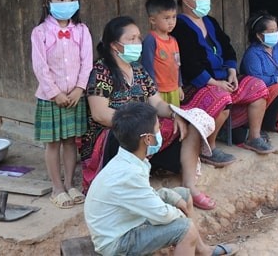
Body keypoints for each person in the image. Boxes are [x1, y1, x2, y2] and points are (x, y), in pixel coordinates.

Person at [81, 16, 218, 211]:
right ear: (114, 45)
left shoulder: (139, 70)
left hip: (144, 131)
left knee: (190, 122)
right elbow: (100, 114)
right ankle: (135, 191)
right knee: (135, 133)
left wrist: (174, 113)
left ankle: (190, 186)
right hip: (114, 135)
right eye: (131, 39)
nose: (138, 43)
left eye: (138, 38)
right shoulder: (102, 71)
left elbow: (157, 103)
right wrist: (138, 123)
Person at [84, 102, 239, 256]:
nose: (161, 132)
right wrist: (178, 215)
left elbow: (143, 196)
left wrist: (169, 196)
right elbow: (162, 215)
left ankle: (202, 250)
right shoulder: (129, 174)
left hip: (123, 224)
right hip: (117, 243)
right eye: (158, 128)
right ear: (148, 140)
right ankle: (194, 245)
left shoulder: (129, 160)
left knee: (184, 195)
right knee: (185, 229)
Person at [172, 0, 275, 157]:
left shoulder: (210, 21)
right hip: (197, 83)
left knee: (257, 86)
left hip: (223, 78)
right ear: (186, 0)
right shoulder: (179, 26)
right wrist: (214, 83)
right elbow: (189, 64)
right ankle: (208, 149)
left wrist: (232, 71)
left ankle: (253, 137)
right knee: (221, 97)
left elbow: (227, 47)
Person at [31, 0, 92, 209]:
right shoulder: (40, 32)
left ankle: (70, 184)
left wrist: (79, 89)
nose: (67, 3)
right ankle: (57, 187)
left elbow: (87, 63)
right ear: (48, 1)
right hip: (51, 98)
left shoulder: (82, 30)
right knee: (53, 144)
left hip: (75, 97)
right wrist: (54, 92)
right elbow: (40, 66)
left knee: (70, 142)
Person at [142, 0, 183, 107]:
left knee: (174, 117)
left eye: (174, 17)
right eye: (166, 18)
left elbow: (178, 64)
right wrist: (153, 90)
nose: (171, 22)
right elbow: (147, 67)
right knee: (161, 120)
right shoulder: (151, 40)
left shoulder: (173, 40)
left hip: (173, 89)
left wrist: (179, 85)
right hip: (158, 90)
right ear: (153, 20)